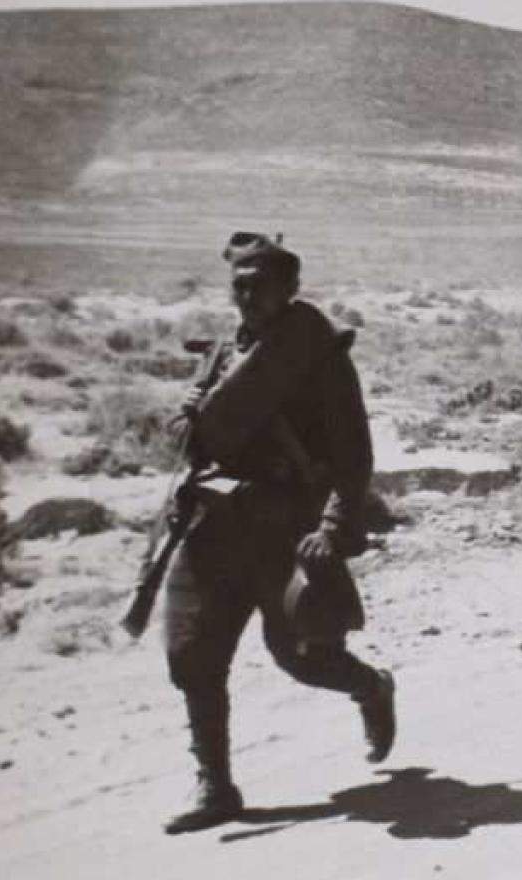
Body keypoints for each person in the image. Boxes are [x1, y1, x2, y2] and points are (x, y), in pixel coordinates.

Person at [159, 232, 395, 834]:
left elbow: (353, 455)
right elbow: (190, 440)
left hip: (287, 528)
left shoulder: (318, 357)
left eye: (259, 285)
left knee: (303, 658)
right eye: (238, 285)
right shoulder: (226, 354)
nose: (247, 296)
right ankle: (216, 787)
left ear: (290, 288)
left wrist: (333, 527)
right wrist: (188, 415)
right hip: (217, 523)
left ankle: (370, 687)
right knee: (192, 651)